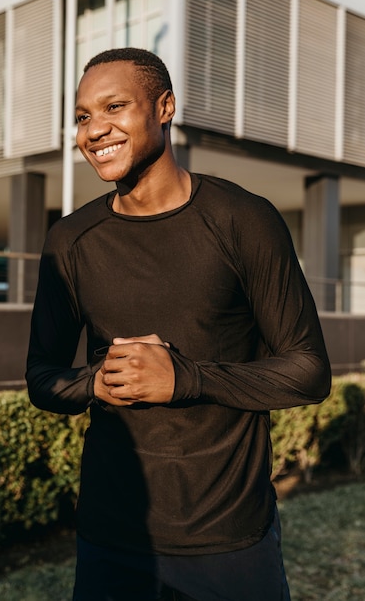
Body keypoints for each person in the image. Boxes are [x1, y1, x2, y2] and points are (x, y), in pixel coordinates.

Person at [26, 47, 331, 601]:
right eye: (82, 116)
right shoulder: (69, 241)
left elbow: (309, 371)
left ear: (164, 107)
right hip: (110, 538)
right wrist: (95, 381)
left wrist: (186, 377)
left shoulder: (245, 219)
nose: (95, 129)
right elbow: (41, 378)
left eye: (114, 106)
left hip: (231, 540)